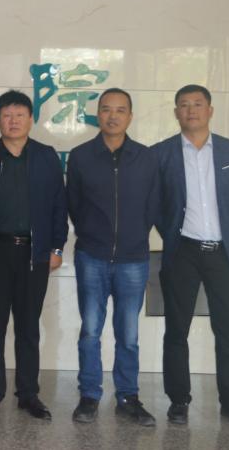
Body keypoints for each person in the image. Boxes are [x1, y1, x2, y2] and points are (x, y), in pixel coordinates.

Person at [153, 84, 229, 430]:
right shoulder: (161, 154)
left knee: (228, 331)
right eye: (184, 105)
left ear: (210, 110)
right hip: (182, 251)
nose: (191, 110)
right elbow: (158, 205)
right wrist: (173, 232)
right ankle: (178, 400)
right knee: (176, 330)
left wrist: (221, 228)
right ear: (176, 113)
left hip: (224, 252)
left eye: (198, 104)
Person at [0, 90, 66, 421]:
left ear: (31, 119)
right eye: (7, 115)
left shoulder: (46, 157)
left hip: (34, 253)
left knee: (28, 326)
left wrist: (57, 247)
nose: (14, 121)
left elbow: (59, 205)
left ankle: (28, 394)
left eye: (20, 115)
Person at [66, 88, 160, 426]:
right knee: (90, 330)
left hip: (133, 259)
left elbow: (153, 205)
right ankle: (89, 395)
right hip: (92, 255)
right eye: (106, 109)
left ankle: (127, 397)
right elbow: (73, 204)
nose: (113, 116)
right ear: (98, 115)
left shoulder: (146, 158)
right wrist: (93, 234)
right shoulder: (80, 156)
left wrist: (133, 236)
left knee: (128, 334)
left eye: (120, 110)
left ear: (130, 116)